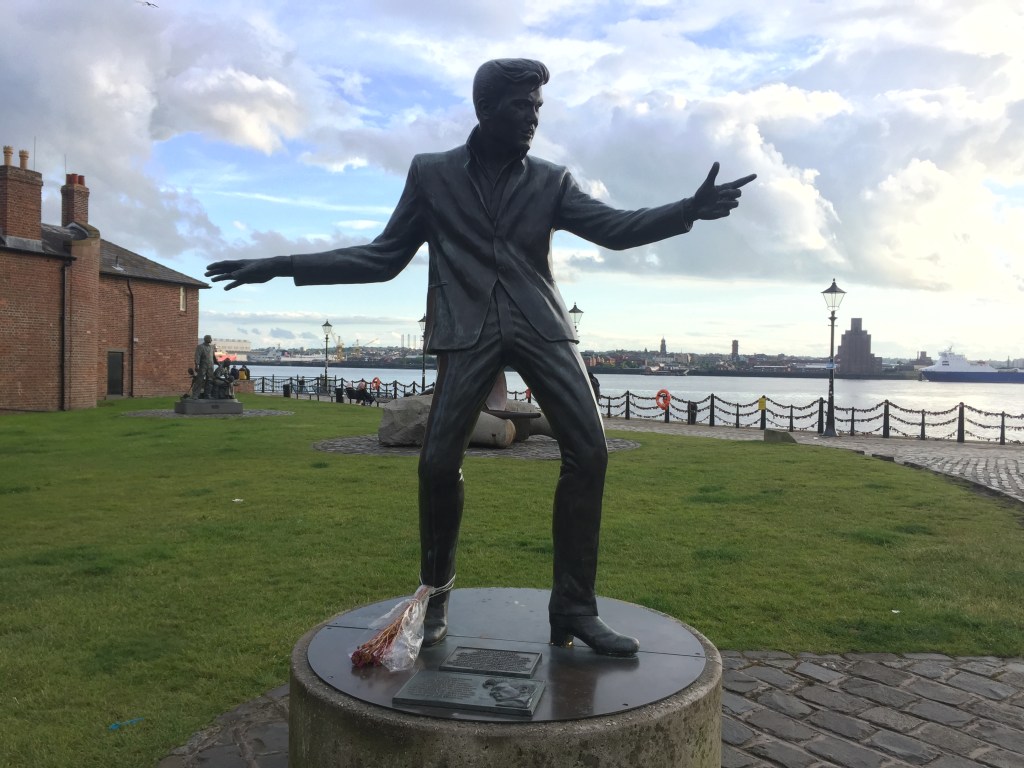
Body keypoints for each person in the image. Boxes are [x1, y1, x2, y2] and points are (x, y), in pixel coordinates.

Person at [206, 58, 755, 657]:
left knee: (590, 450)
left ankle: (573, 608)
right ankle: (435, 597)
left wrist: (686, 210)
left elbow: (615, 229)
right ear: (486, 108)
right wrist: (281, 266)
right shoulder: (432, 174)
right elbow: (383, 257)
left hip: (541, 326)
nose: (533, 118)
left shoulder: (552, 180)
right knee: (438, 464)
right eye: (523, 106)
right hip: (467, 329)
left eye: (539, 108)